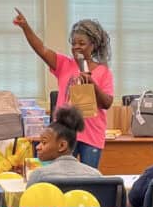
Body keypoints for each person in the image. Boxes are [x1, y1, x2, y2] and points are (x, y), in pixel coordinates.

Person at [14, 10, 114, 169]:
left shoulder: (103, 71)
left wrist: (92, 84)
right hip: (65, 134)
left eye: (81, 43)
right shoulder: (64, 64)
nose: (76, 47)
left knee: (88, 177)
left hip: (92, 134)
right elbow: (41, 49)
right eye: (73, 44)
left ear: (93, 45)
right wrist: (25, 27)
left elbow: (107, 103)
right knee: (62, 175)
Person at [26, 106, 102, 186]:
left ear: (62, 146)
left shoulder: (39, 176)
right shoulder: (96, 175)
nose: (37, 147)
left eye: (44, 142)